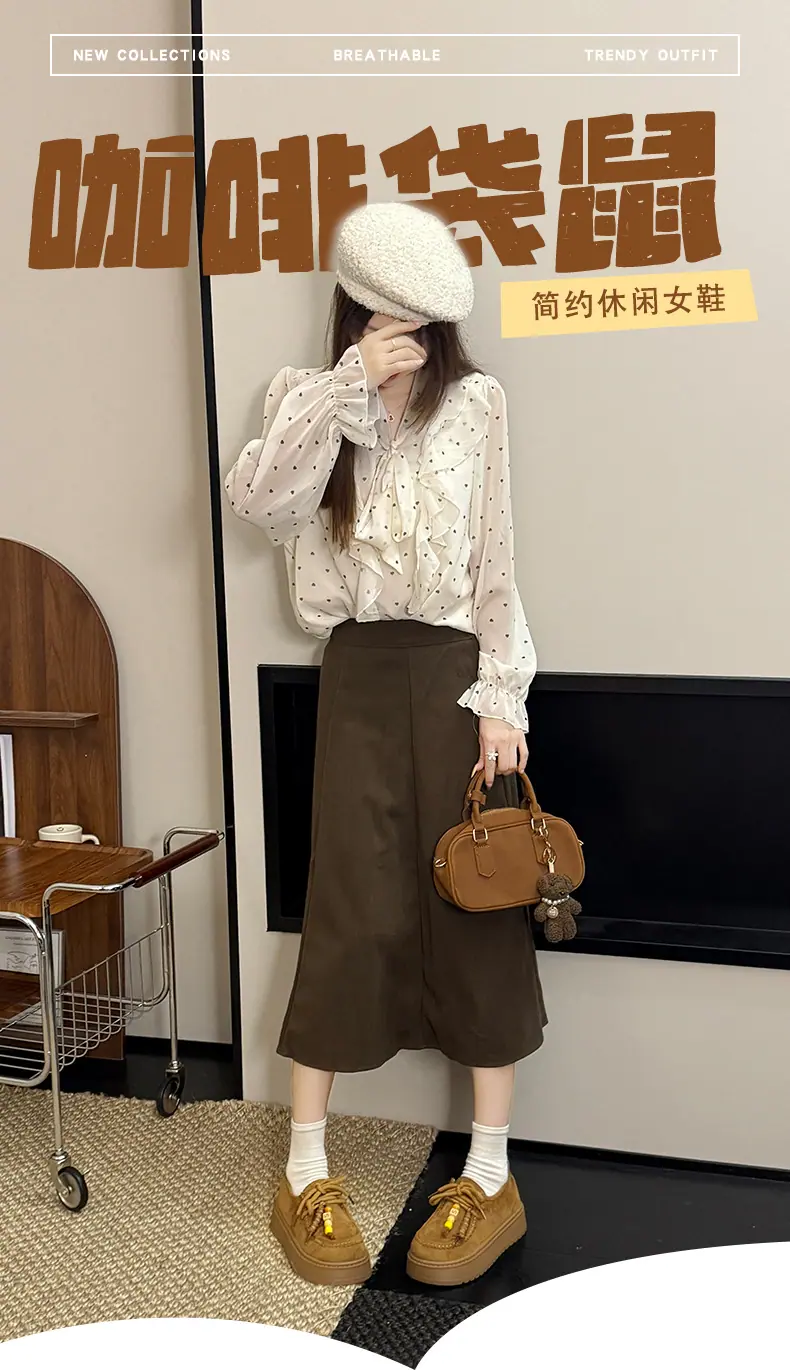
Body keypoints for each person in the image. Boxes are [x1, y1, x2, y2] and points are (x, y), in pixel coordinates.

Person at [225, 200, 546, 1290]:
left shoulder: (477, 403)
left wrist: (501, 698)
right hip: (358, 672)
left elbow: (497, 558)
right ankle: (304, 1170)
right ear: (355, 308)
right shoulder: (305, 398)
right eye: (380, 313)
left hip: (456, 676)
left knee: (478, 906)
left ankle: (490, 1175)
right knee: (349, 911)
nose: (401, 331)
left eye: (414, 316)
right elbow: (259, 504)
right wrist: (345, 386)